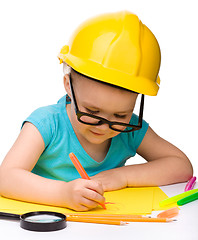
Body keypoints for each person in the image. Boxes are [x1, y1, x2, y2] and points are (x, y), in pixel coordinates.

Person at [0, 11, 193, 211]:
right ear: (68, 85)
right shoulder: (47, 124)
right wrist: (63, 194)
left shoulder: (129, 129)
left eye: (120, 115)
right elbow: (6, 177)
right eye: (92, 111)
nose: (105, 126)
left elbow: (181, 166)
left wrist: (122, 177)